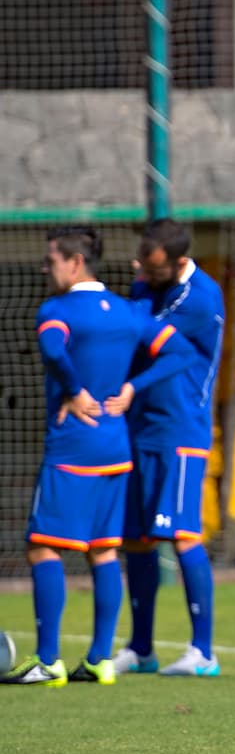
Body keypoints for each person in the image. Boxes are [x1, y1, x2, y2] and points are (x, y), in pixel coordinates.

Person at [2, 226, 193, 686]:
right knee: (104, 552)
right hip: (116, 448)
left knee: (43, 546)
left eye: (51, 261)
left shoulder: (59, 309)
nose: (45, 269)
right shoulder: (130, 313)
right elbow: (181, 352)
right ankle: (99, 659)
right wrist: (132, 388)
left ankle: (48, 659)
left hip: (73, 446)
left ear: (75, 263)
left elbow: (51, 346)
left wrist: (73, 389)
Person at [112, 218, 227, 677]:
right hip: (138, 427)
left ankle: (203, 651)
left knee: (181, 535)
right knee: (136, 540)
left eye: (152, 265)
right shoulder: (145, 284)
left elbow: (151, 341)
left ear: (179, 262)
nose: (140, 268)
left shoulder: (201, 298)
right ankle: (141, 647)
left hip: (180, 430)